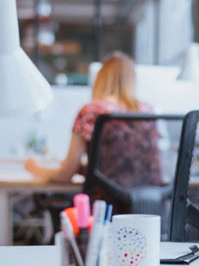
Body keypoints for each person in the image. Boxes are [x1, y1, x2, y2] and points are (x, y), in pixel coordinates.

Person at [25, 51, 157, 185]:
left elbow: (65, 175)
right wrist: (84, 169)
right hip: (151, 201)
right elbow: (128, 168)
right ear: (132, 81)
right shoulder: (148, 111)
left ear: (101, 78)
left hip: (105, 203)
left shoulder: (91, 111)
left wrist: (34, 168)